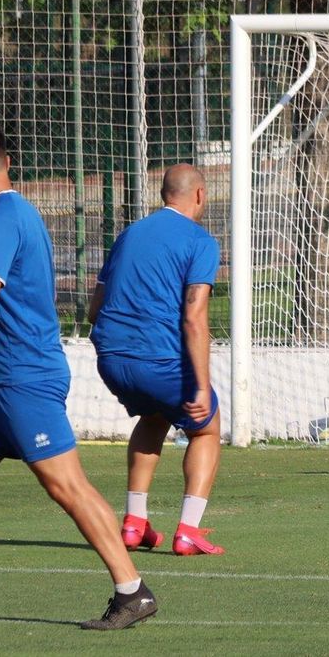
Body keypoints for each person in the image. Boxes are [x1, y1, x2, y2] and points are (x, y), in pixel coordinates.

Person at [0, 121, 158, 630]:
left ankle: (131, 590)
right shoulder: (15, 212)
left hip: (24, 380)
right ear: (6, 163)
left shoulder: (4, 216)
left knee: (67, 487)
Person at [88, 163, 224, 557]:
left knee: (153, 417)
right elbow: (194, 316)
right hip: (157, 360)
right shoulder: (200, 241)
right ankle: (188, 531)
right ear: (199, 195)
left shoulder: (128, 234)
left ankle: (134, 523)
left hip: (110, 358)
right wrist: (200, 383)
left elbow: (96, 308)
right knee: (206, 427)